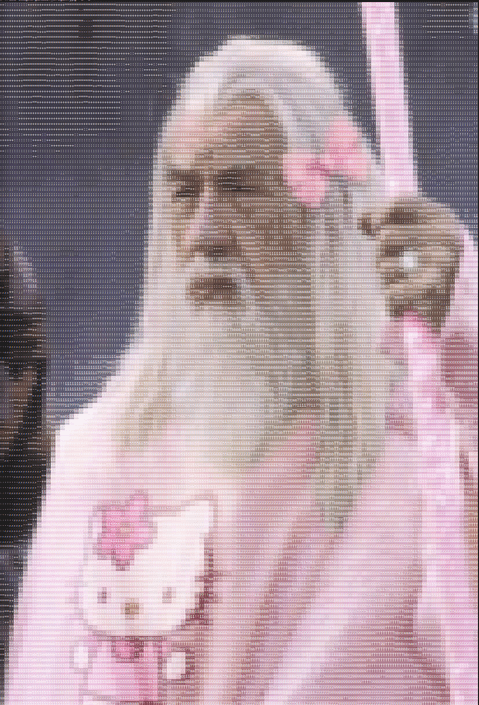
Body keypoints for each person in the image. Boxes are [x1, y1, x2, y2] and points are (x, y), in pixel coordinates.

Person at [6, 37, 477, 704]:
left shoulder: (423, 474)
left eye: (241, 190)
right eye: (183, 192)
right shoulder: (95, 455)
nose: (204, 233)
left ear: (328, 220)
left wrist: (467, 351)